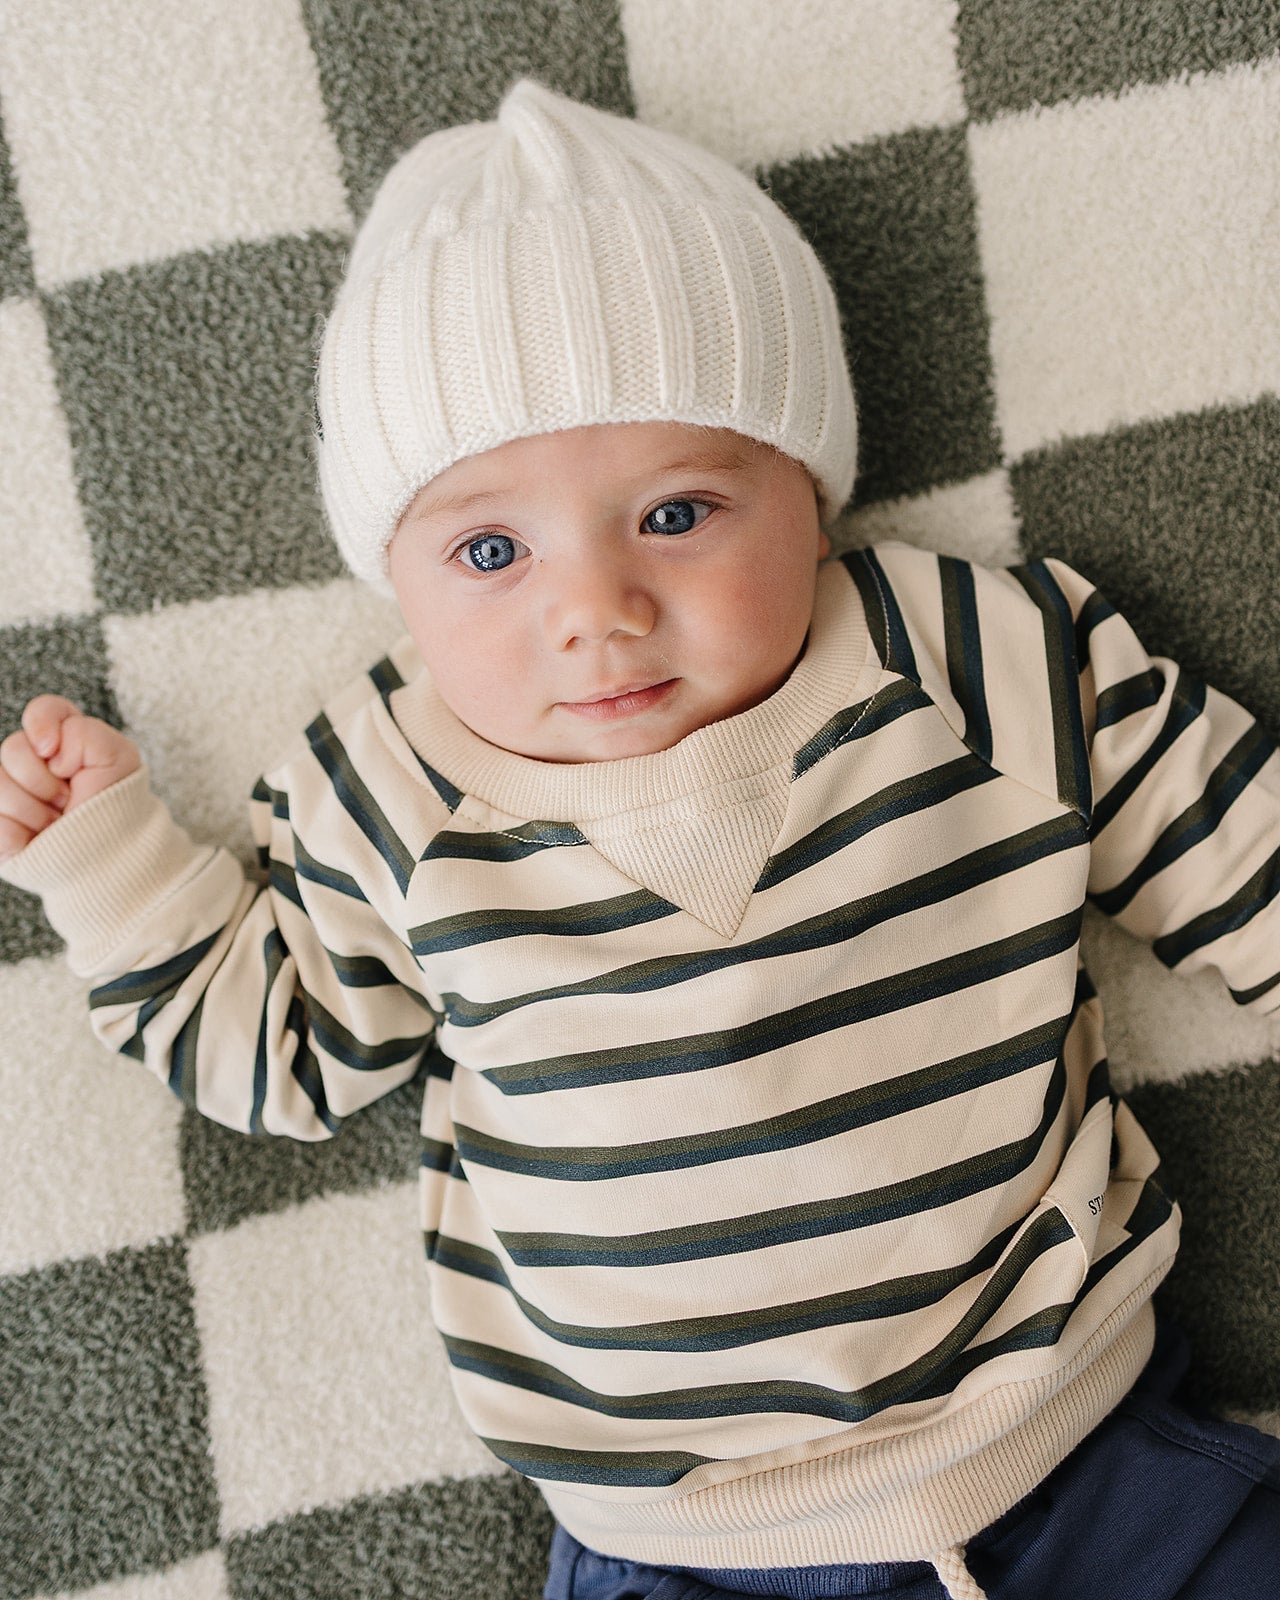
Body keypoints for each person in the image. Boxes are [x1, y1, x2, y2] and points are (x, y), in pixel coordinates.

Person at [2, 79, 1278, 1600]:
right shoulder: (385, 787)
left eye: (678, 514)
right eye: (491, 550)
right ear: (395, 579)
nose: (594, 607)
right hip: (679, 1547)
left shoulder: (960, 656)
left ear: (808, 498)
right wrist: (110, 860)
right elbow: (279, 1053)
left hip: (1078, 1450)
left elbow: (1232, 837)